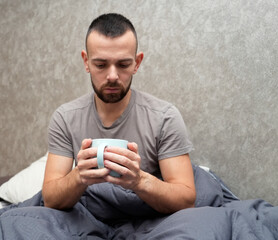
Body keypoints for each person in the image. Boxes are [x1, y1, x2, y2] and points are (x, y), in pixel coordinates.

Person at [42, 13, 196, 215]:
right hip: (87, 217)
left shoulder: (164, 117)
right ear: (86, 62)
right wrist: (79, 176)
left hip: (148, 220)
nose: (112, 76)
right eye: (101, 65)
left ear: (137, 63)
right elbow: (50, 199)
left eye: (123, 64)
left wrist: (139, 180)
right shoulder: (66, 118)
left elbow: (186, 200)